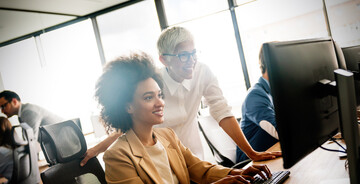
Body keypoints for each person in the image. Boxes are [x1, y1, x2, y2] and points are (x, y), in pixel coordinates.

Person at [95, 52, 272, 184]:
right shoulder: (117, 156)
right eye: (148, 98)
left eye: (160, 95)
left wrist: (238, 174)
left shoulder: (167, 136)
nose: (160, 103)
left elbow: (201, 170)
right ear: (128, 107)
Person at [80, 26, 281, 166]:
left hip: (196, 156)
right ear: (164, 59)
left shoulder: (203, 71)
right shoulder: (153, 83)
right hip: (159, 157)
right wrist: (98, 148)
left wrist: (251, 153)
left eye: (193, 53)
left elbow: (221, 111)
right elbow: (130, 120)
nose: (191, 61)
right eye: (183, 55)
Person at [236, 44, 279, 163]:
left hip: (270, 152)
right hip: (250, 161)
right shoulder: (256, 95)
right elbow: (278, 131)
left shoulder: (274, 91)